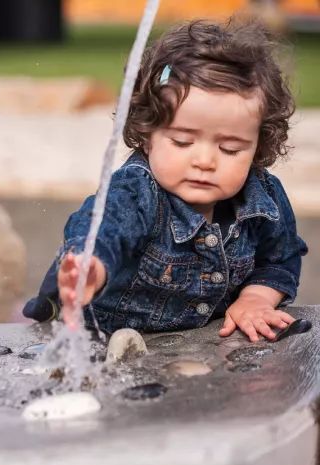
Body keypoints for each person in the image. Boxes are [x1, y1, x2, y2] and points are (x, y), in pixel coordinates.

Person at [22, 19, 308, 343]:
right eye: (183, 142)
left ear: (258, 145)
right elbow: (103, 226)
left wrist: (256, 298)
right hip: (101, 338)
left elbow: (280, 259)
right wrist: (91, 266)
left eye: (230, 148)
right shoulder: (137, 192)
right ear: (147, 135)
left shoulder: (264, 200)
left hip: (192, 350)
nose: (204, 161)